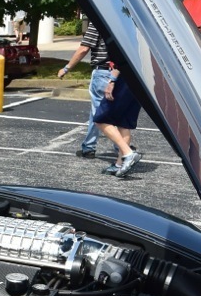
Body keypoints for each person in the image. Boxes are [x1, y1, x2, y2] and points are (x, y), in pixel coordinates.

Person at [56, 21, 113, 158]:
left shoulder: (98, 23)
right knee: (114, 110)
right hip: (118, 72)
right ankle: (119, 145)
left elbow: (84, 49)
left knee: (98, 112)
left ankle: (93, 147)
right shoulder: (118, 21)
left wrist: (66, 68)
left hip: (102, 73)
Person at [94, 64, 142, 178]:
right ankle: (120, 164)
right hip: (139, 79)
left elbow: (121, 58)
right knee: (124, 123)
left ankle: (128, 154)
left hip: (124, 77)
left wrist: (112, 80)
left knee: (100, 119)